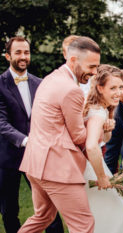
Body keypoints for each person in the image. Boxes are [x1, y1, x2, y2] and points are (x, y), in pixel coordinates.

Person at [18, 36, 108, 233]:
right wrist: (99, 125)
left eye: (97, 67)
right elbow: (78, 137)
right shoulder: (71, 90)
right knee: (83, 225)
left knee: (42, 217)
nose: (94, 73)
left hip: (35, 164)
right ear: (73, 60)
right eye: (91, 67)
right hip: (57, 168)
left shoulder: (51, 79)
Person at [0, 36, 63, 233]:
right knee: (9, 208)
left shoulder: (40, 83)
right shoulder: (0, 84)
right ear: (7, 55)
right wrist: (26, 140)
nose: (23, 56)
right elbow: (1, 122)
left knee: (49, 206)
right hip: (7, 157)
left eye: (26, 52)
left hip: (38, 156)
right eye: (18, 52)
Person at [83, 64, 123, 233]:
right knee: (112, 212)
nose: (119, 92)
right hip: (91, 169)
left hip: (93, 166)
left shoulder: (103, 108)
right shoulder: (97, 113)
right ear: (100, 88)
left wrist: (107, 130)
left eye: (120, 87)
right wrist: (101, 177)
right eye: (113, 88)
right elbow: (91, 146)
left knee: (108, 211)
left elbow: (103, 141)